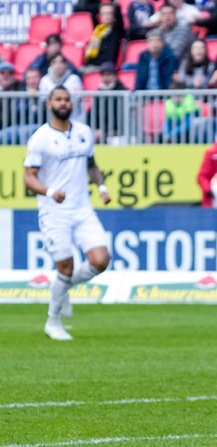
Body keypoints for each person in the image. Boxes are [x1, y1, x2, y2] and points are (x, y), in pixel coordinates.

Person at [22, 87, 111, 341]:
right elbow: (28, 177)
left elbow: (91, 165)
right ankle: (53, 322)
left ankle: (62, 287)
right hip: (54, 211)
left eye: (67, 99)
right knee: (65, 266)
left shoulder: (83, 132)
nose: (63, 103)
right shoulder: (40, 138)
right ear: (49, 104)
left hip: (82, 208)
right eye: (58, 99)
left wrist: (101, 186)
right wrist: (50, 192)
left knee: (101, 260)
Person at [87, 62, 127, 143]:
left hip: (117, 132)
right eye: (103, 75)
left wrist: (103, 130)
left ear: (115, 76)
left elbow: (120, 119)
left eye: (109, 74)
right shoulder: (99, 93)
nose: (106, 78)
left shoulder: (123, 93)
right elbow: (91, 115)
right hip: (101, 132)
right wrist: (94, 129)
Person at [82, 2, 125, 73]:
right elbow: (92, 12)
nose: (106, 16)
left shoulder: (116, 30)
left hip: (105, 67)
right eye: (104, 13)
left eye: (109, 13)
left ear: (114, 15)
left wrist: (113, 4)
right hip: (92, 65)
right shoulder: (98, 30)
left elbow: (119, 19)